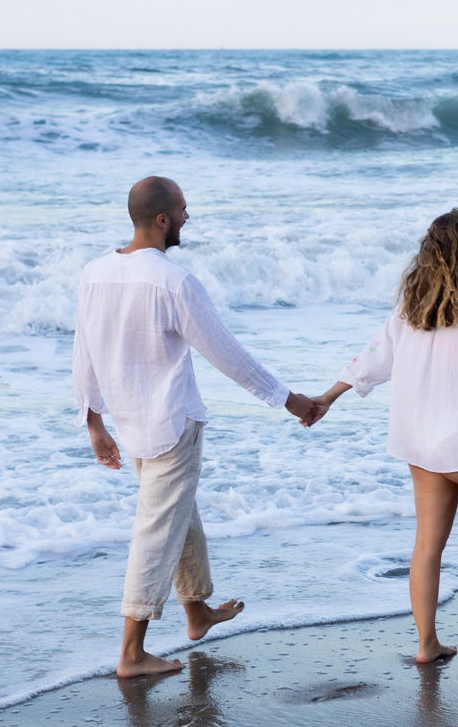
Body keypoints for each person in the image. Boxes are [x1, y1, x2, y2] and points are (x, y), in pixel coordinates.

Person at [73, 177, 321, 678]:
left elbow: (84, 351)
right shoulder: (174, 281)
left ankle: (196, 612)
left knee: (179, 517)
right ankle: (131, 653)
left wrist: (93, 421)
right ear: (162, 219)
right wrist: (289, 400)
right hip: (171, 419)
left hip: (130, 419)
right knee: (155, 531)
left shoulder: (93, 274)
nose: (188, 218)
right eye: (184, 211)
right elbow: (225, 352)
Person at [311, 209, 458, 664]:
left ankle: (426, 643)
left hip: (420, 442)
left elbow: (372, 357)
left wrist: (328, 396)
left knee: (427, 544)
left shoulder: (410, 305)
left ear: (428, 253)